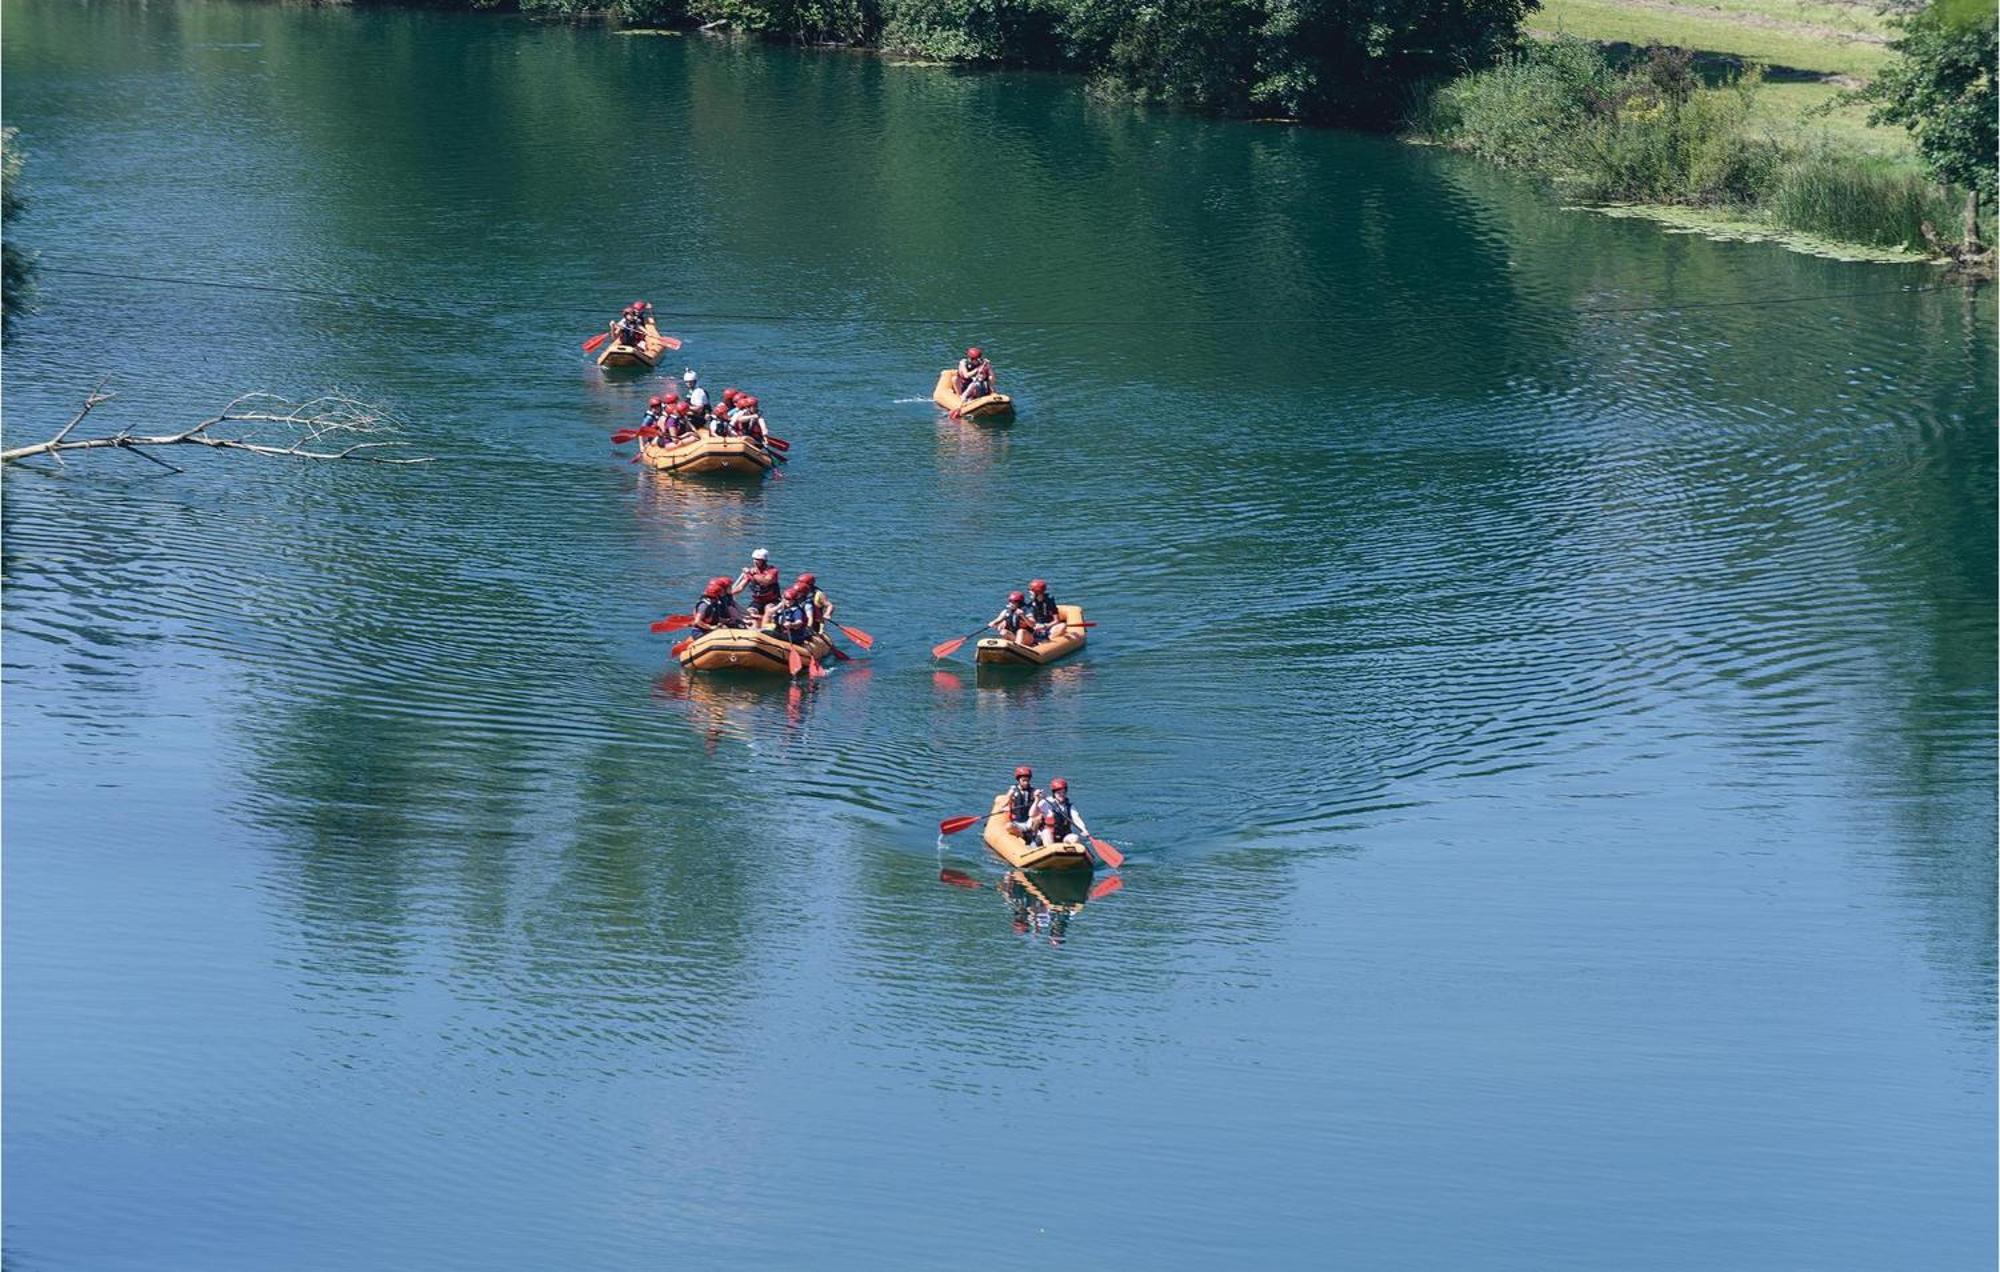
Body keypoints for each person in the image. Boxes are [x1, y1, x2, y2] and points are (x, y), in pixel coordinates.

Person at [1033, 777, 1090, 847]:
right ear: (1054, 793)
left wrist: (1083, 829)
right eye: (1059, 793)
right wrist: (1037, 800)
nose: (1062, 795)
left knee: (1075, 838)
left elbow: (1077, 819)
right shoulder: (1046, 802)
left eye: (1063, 792)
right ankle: (1051, 853)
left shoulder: (1070, 807)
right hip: (1048, 835)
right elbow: (1032, 814)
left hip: (1064, 836)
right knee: (1046, 832)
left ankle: (1067, 854)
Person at [733, 548, 782, 624]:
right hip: (758, 601)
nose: (755, 561)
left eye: (758, 559)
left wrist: (751, 573)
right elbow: (740, 587)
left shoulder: (772, 571)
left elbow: (766, 581)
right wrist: (727, 593)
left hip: (772, 601)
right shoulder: (751, 572)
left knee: (769, 609)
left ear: (764, 561)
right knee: (750, 613)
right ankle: (753, 630)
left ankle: (766, 630)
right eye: (754, 559)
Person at [1005, 765, 1039, 839]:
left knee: (1038, 818)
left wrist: (1039, 796)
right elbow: (1006, 801)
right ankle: (1025, 836)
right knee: (1008, 826)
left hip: (1029, 820)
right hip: (1017, 822)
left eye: (1027, 780)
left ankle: (1033, 835)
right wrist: (1008, 803)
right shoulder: (1013, 790)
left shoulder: (1033, 790)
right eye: (1024, 780)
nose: (1026, 783)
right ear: (1018, 780)